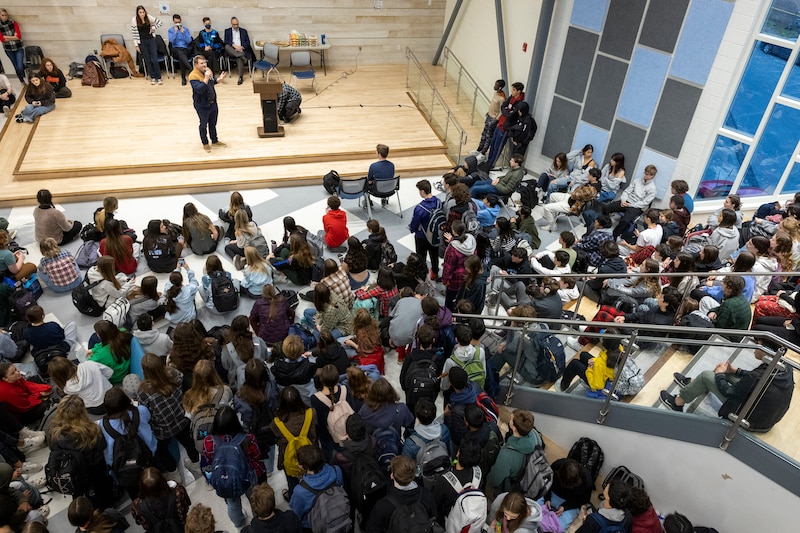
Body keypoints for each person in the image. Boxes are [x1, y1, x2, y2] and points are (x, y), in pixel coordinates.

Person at [661, 346, 794, 431]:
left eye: (757, 345)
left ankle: (677, 403)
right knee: (727, 372)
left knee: (706, 376)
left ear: (765, 350)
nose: (754, 348)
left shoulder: (756, 376)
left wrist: (719, 374)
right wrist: (734, 370)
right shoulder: (784, 366)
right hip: (764, 412)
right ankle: (694, 386)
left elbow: (729, 392)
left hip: (749, 416)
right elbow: (753, 378)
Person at [138, 355, 202, 478]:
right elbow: (182, 379)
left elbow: (145, 413)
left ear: (144, 371)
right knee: (189, 443)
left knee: (161, 451)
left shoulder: (143, 391)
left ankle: (174, 474)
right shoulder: (173, 373)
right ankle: (196, 464)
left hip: (163, 429)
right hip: (182, 419)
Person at [48, 395, 115, 509]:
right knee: (102, 494)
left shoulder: (54, 432)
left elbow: (53, 449)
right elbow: (101, 446)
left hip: (72, 471)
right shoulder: (90, 430)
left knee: (80, 493)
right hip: (94, 470)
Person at [202, 406, 264, 528]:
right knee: (254, 499)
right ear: (236, 422)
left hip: (226, 479)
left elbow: (209, 459)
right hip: (247, 477)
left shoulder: (209, 441)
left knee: (232, 504)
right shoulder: (248, 438)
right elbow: (256, 456)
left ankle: (239, 523)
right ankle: (258, 521)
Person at [99, 387, 157, 498]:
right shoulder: (140, 411)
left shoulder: (103, 425)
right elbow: (149, 420)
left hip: (124, 469)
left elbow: (109, 456)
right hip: (147, 459)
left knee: (135, 495)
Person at [365, 455, 436, 533]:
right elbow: (433, 518)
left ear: (392, 476)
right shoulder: (426, 495)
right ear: (413, 476)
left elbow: (372, 529)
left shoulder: (383, 505)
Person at [270, 385, 317, 499]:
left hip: (289, 458)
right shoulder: (311, 413)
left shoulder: (277, 423)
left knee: (292, 482)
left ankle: (293, 496)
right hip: (310, 455)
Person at [486, 409, 540, 500]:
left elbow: (495, 480)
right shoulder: (534, 434)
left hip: (511, 488)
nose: (509, 419)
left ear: (514, 428)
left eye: (511, 419)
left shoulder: (507, 455)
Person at [289, 444, 345, 530]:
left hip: (313, 526)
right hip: (339, 514)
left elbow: (296, 515)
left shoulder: (300, 491)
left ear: (302, 466)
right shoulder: (336, 470)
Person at [603, 165, 658, 240]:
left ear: (652, 176)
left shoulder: (652, 189)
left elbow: (645, 202)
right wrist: (623, 200)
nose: (645, 175)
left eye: (647, 174)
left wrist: (631, 205)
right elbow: (627, 191)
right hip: (627, 201)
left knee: (625, 221)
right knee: (607, 207)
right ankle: (604, 224)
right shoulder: (637, 181)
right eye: (645, 173)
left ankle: (614, 235)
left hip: (636, 206)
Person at [131, 467, 191, 532]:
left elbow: (141, 523)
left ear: (142, 486)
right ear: (162, 480)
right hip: (181, 529)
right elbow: (186, 506)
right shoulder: (178, 492)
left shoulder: (137, 505)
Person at [189, 55, 227, 152]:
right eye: (201, 63)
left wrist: (219, 80)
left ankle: (214, 140)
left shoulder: (207, 71)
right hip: (202, 105)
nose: (204, 65)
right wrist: (206, 78)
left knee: (213, 124)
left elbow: (211, 82)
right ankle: (205, 143)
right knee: (203, 125)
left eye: (205, 62)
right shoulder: (193, 76)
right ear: (196, 65)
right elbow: (199, 89)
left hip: (213, 103)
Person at [0, 363, 52, 427]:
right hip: (19, 414)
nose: (17, 372)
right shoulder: (9, 392)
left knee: (36, 379)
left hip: (23, 399)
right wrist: (39, 394)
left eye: (16, 369)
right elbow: (26, 406)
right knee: (43, 405)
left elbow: (26, 384)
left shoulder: (14, 379)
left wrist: (43, 388)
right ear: (5, 379)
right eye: (12, 373)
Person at [487, 82, 525, 168]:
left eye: (514, 90)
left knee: (497, 147)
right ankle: (488, 161)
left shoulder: (519, 103)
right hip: (500, 124)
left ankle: (491, 164)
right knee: (492, 144)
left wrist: (506, 111)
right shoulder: (511, 97)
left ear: (519, 91)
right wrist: (506, 110)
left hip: (505, 127)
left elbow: (509, 115)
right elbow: (503, 107)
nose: (512, 91)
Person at [87, 320, 134, 385]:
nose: (96, 334)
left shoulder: (101, 355)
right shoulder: (124, 333)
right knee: (93, 338)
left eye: (97, 333)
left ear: (102, 337)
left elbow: (88, 364)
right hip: (123, 369)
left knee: (93, 338)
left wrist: (91, 354)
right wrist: (94, 350)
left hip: (116, 378)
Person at [130, 5, 163, 84]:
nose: (142, 14)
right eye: (140, 12)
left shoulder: (148, 17)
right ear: (137, 13)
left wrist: (153, 28)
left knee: (154, 59)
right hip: (142, 41)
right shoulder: (134, 20)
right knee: (147, 60)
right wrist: (136, 44)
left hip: (151, 40)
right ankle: (153, 77)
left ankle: (158, 77)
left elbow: (160, 23)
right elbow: (134, 33)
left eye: (143, 12)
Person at [476, 79, 506, 154]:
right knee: (484, 133)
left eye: (496, 85)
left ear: (500, 87)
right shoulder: (495, 93)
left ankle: (483, 152)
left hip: (493, 118)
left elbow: (501, 110)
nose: (494, 86)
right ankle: (479, 149)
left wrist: (496, 119)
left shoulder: (502, 98)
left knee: (488, 136)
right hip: (489, 116)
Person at [224, 17, 253, 85]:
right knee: (226, 46)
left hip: (241, 50)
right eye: (234, 24)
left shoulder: (243, 31)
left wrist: (241, 47)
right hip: (232, 49)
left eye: (237, 24)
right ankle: (242, 56)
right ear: (231, 24)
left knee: (239, 58)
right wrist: (234, 46)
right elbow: (226, 41)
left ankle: (240, 77)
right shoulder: (227, 31)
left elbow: (248, 42)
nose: (236, 26)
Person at [168, 14, 193, 85]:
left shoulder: (186, 29)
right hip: (175, 49)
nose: (177, 24)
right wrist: (175, 33)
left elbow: (189, 41)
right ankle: (190, 68)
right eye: (176, 23)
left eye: (178, 22)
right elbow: (171, 41)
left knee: (181, 56)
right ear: (173, 21)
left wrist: (184, 33)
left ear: (181, 21)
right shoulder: (170, 30)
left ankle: (183, 78)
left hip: (185, 49)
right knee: (180, 53)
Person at [0, 9, 24, 83]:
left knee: (20, 66)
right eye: (2, 15)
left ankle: (23, 74)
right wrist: (13, 36)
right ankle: (22, 81)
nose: (4, 17)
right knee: (16, 67)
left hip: (18, 47)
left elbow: (19, 36)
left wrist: (6, 37)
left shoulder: (13, 22)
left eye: (5, 15)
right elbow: (2, 39)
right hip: (8, 49)